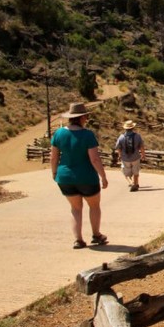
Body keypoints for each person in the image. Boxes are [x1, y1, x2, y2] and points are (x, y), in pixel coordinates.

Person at [50, 102, 108, 249]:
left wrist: (54, 172)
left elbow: (54, 157)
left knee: (75, 208)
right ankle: (96, 235)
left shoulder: (59, 133)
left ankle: (78, 240)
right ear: (83, 117)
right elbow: (94, 159)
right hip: (87, 177)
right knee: (94, 206)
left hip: (65, 177)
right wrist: (103, 176)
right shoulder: (87, 135)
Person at [114, 119, 145, 192]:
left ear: (125, 128)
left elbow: (118, 147)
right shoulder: (137, 136)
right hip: (136, 157)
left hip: (125, 158)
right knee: (136, 172)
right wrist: (143, 154)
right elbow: (141, 146)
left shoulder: (121, 137)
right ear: (133, 128)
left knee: (125, 173)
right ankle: (136, 184)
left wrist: (120, 155)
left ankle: (132, 183)